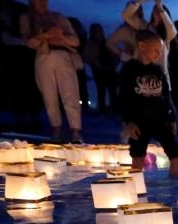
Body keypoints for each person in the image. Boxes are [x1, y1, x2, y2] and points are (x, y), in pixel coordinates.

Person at [19, 0, 83, 143]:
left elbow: (76, 41)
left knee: (70, 93)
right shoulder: (27, 18)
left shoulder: (59, 17)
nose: (42, 3)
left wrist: (61, 36)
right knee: (49, 96)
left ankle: (76, 131)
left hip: (63, 55)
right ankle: (56, 129)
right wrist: (42, 36)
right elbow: (28, 42)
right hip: (43, 56)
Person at [119, 30, 178, 176]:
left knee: (176, 156)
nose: (159, 54)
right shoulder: (130, 69)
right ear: (142, 46)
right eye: (156, 50)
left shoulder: (158, 70)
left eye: (160, 51)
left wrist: (172, 119)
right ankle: (135, 190)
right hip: (139, 121)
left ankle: (174, 189)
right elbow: (122, 98)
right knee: (138, 158)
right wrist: (128, 122)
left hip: (160, 119)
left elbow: (166, 96)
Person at [83, 23, 118, 112]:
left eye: (100, 30)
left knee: (112, 90)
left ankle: (114, 109)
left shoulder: (107, 42)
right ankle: (102, 109)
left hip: (109, 69)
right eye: (97, 30)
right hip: (98, 70)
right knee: (101, 91)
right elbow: (85, 57)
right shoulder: (90, 43)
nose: (99, 32)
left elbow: (115, 54)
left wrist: (114, 62)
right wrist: (94, 62)